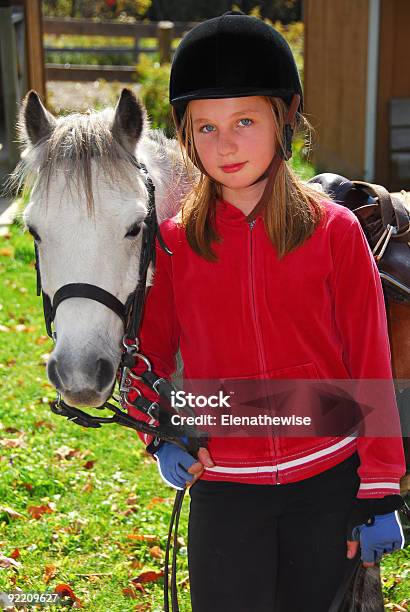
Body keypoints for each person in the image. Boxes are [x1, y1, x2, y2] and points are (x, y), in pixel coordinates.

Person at [127, 12, 406, 612]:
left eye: (244, 121)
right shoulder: (175, 242)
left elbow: (369, 359)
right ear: (186, 135)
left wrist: (380, 485)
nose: (225, 144)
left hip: (326, 482)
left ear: (284, 117)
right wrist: (160, 431)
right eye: (205, 127)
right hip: (224, 490)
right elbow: (146, 356)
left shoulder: (335, 232)